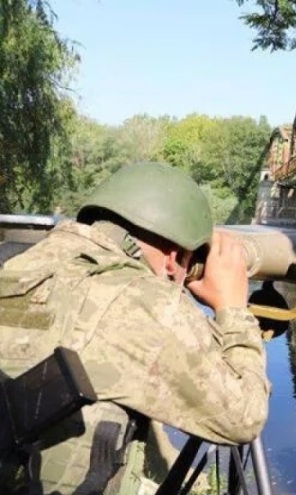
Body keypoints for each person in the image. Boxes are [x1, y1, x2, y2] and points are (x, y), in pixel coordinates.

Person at [0, 162, 271, 494]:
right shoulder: (145, 302)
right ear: (174, 259)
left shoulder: (18, 262)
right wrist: (234, 309)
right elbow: (244, 417)